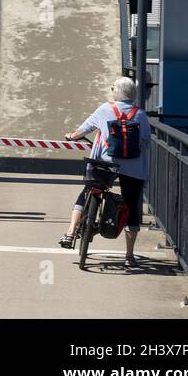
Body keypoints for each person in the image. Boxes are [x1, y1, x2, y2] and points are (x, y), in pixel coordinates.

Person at [58, 76, 150, 268]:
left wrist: (71, 136)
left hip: (105, 164)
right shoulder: (140, 115)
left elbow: (83, 129)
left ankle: (70, 232)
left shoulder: (105, 109)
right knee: (131, 205)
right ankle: (129, 256)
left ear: (117, 92)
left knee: (88, 191)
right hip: (133, 168)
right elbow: (145, 142)